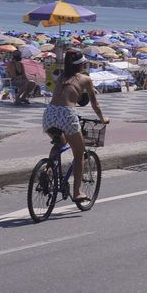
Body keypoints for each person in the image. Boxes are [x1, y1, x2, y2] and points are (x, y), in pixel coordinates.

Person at [42, 50, 108, 202]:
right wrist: (102, 119)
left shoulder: (61, 77)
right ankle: (77, 192)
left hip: (49, 114)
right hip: (66, 114)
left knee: (60, 142)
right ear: (82, 65)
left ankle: (47, 171)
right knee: (79, 153)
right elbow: (95, 103)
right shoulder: (85, 79)